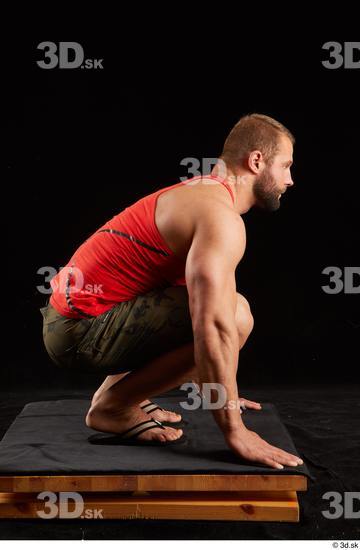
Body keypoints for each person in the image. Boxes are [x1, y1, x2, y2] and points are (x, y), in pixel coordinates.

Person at [41, 113, 303, 469]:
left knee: (225, 310)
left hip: (80, 320)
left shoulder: (203, 195)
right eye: (285, 166)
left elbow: (191, 308)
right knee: (236, 315)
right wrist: (234, 429)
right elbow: (214, 326)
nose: (290, 179)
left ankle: (116, 397)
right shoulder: (220, 217)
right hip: (76, 331)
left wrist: (225, 388)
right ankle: (113, 408)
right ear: (257, 161)